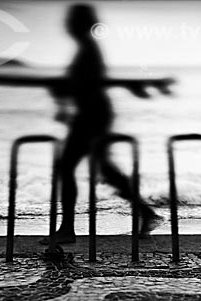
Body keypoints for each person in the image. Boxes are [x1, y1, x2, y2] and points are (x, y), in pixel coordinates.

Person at [46, 4, 164, 244]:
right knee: (105, 170)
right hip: (94, 114)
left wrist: (64, 90)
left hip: (92, 116)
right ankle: (147, 213)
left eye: (73, 21)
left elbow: (89, 85)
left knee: (67, 167)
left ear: (81, 25)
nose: (68, 26)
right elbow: (87, 84)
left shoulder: (88, 51)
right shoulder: (86, 50)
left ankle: (67, 229)